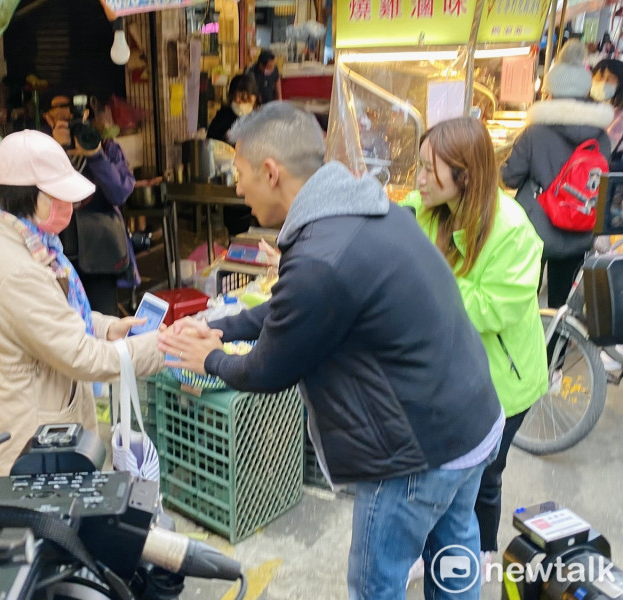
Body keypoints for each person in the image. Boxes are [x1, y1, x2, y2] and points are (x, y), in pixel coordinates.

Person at [158, 103, 503, 600]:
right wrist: (221, 325)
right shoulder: (362, 207)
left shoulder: (320, 254)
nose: (237, 188)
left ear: (271, 173)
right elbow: (292, 310)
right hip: (472, 421)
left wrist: (209, 359)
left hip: (417, 454)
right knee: (453, 560)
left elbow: (268, 369)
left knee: (375, 586)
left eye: (239, 174)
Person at [0, 130, 163, 477]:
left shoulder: (25, 241)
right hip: (18, 451)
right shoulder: (15, 267)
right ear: (27, 197)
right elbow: (80, 356)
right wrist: (161, 347)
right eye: (58, 197)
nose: (68, 206)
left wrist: (106, 327)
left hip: (29, 434)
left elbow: (55, 313)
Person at [400, 116, 548, 575]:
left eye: (430, 169)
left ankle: (481, 554)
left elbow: (491, 308)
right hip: (450, 379)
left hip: (502, 383)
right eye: (419, 166)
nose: (419, 179)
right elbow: (386, 211)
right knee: (441, 473)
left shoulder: (512, 229)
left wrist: (426, 278)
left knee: (484, 474)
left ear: (464, 174)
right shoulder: (428, 206)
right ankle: (435, 552)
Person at [501, 39, 613, 309]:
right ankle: (556, 349)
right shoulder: (601, 135)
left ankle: (528, 349)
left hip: (534, 231)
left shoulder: (534, 132)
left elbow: (510, 177)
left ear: (550, 89)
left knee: (524, 300)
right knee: (561, 306)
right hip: (580, 230)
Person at [46, 94, 137, 316]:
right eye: (61, 121)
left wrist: (96, 157)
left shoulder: (107, 148)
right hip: (54, 255)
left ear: (86, 116)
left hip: (100, 254)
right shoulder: (43, 151)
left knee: (104, 323)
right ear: (48, 120)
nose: (70, 127)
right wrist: (54, 152)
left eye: (73, 120)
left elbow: (120, 194)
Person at [207, 73, 261, 237]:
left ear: (254, 99)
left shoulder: (262, 117)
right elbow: (211, 140)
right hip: (232, 180)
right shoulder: (224, 116)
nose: (240, 104)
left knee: (258, 225)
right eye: (236, 99)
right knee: (237, 227)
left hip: (258, 180)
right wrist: (227, 135)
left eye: (245, 100)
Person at [591, 59, 623, 154]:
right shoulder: (582, 105)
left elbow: (608, 146)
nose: (604, 82)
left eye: (610, 79)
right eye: (600, 77)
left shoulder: (619, 116)